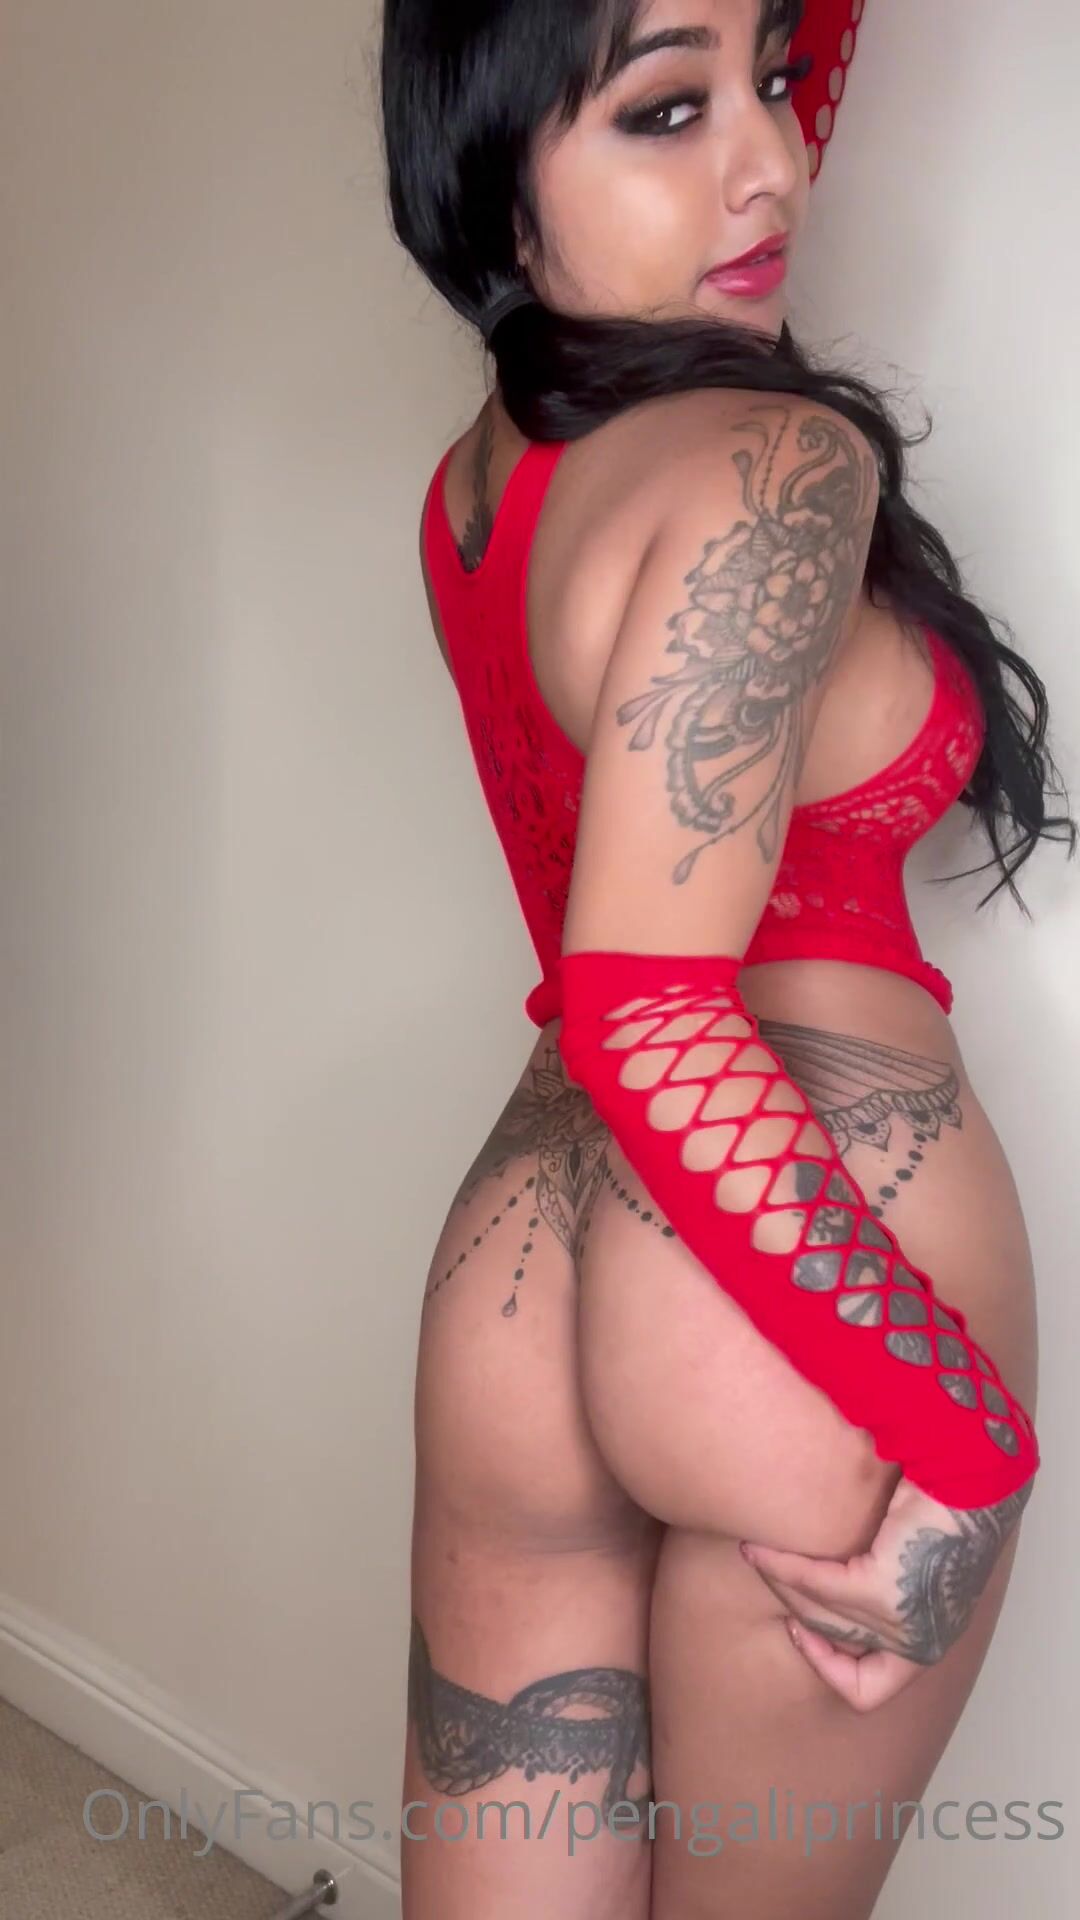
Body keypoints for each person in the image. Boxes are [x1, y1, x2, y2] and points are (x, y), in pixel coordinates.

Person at [379, 2, 1076, 1914]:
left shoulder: (480, 485)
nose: (770, 163)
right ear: (494, 168)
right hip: (782, 1301)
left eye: (771, 80)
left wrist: (712, 73)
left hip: (518, 1292)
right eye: (668, 112)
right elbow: (647, 1001)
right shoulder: (773, 460)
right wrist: (966, 1449)